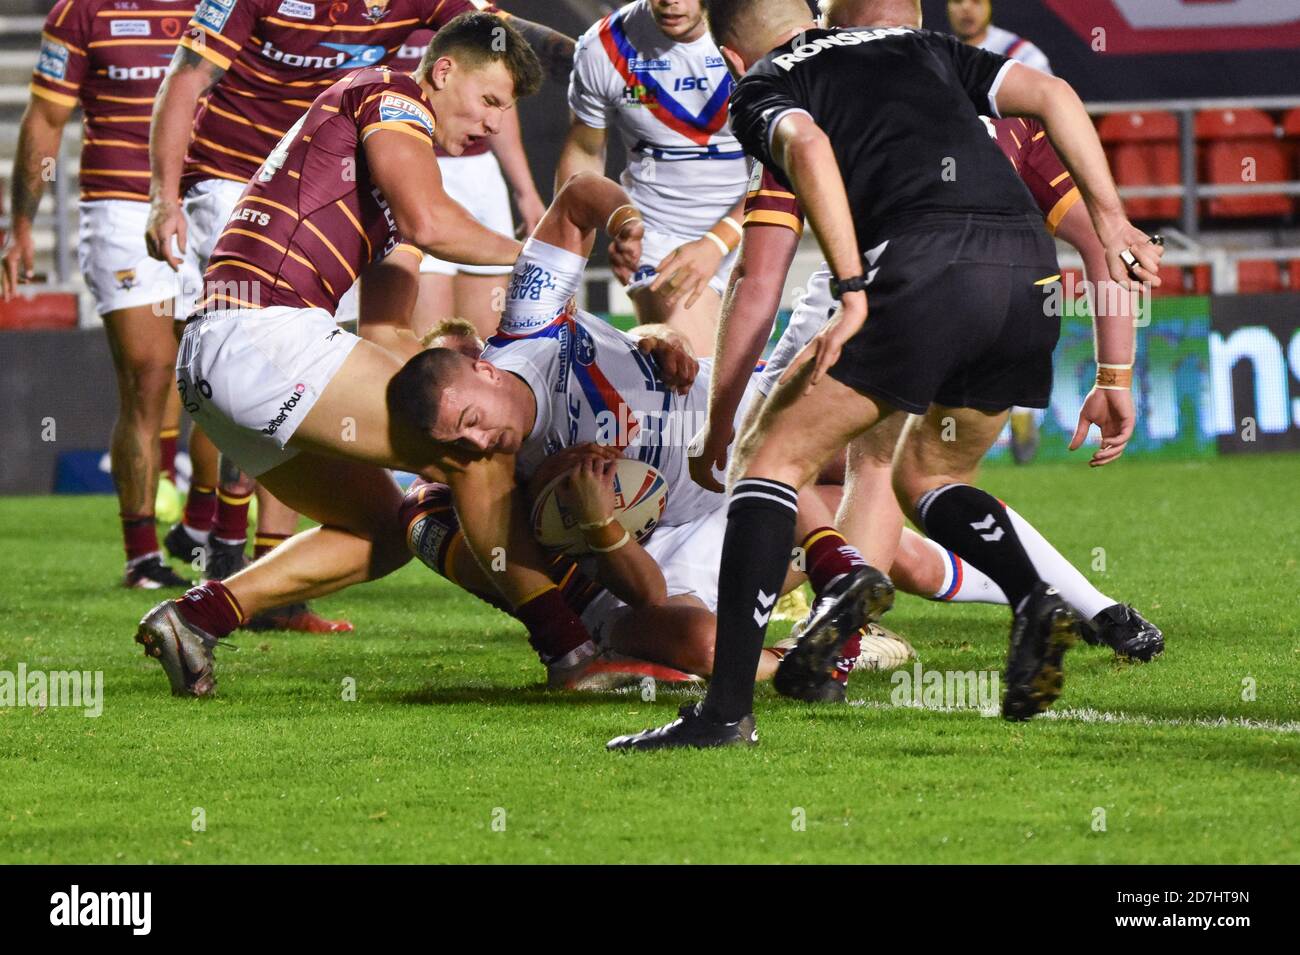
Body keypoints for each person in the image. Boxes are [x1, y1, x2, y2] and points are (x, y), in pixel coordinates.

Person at [607, 0, 1163, 750]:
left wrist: (851, 286)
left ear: (731, 55)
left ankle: (725, 713)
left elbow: (802, 150)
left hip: (922, 266)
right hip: (1027, 272)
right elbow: (1055, 94)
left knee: (767, 460)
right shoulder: (926, 49)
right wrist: (1114, 218)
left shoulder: (765, 83)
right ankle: (1035, 595)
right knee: (927, 475)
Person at [134, 13, 575, 696]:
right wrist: (544, 261)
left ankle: (197, 616)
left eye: (506, 111)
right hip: (261, 335)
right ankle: (571, 644)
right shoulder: (393, 97)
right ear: (444, 71)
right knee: (476, 447)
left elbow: (388, 332)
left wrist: (474, 360)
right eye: (490, 101)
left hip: (224, 363)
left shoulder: (389, 157)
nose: (493, 125)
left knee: (385, 527)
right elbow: (432, 221)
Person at [1, 0, 196, 589]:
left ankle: (210, 528)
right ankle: (142, 556)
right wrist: (23, 224)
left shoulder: (217, 6)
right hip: (118, 210)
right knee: (149, 374)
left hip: (206, 201)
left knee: (219, 372)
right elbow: (46, 119)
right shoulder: (83, 11)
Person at [557, 0, 749, 355]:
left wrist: (718, 242)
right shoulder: (605, 46)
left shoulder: (758, 32)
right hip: (662, 242)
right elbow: (584, 153)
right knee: (696, 382)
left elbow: (788, 163)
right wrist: (569, 265)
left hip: (758, 227)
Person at [383, 31, 548, 343]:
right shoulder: (375, 15)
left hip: (479, 173)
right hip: (414, 163)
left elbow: (500, 100)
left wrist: (525, 191)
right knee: (428, 344)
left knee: (486, 343)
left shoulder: (475, 15)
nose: (493, 122)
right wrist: (543, 257)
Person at [947, 0, 1054, 461]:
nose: (966, 8)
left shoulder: (1023, 55)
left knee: (1023, 306)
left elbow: (1050, 123)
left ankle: (1021, 405)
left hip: (1021, 198)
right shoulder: (938, 52)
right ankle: (973, 412)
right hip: (958, 202)